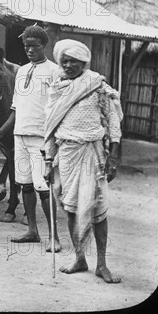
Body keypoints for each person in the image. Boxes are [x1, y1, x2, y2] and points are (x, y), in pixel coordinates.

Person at [43, 39, 122, 283]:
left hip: (93, 152)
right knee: (70, 207)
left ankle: (102, 264)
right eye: (64, 61)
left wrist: (114, 156)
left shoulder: (97, 85)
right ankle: (79, 257)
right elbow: (50, 128)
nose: (67, 65)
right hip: (66, 154)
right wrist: (48, 160)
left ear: (84, 62)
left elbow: (113, 121)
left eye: (73, 61)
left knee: (98, 209)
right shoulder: (57, 88)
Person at [0, 25, 60, 251]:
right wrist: (1, 131)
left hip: (42, 137)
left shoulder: (54, 71)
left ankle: (54, 237)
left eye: (34, 46)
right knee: (26, 185)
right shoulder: (21, 72)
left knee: (43, 188)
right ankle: (32, 230)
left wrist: (55, 139)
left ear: (44, 46)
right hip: (20, 135)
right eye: (26, 46)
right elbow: (15, 108)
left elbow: (60, 109)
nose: (29, 50)